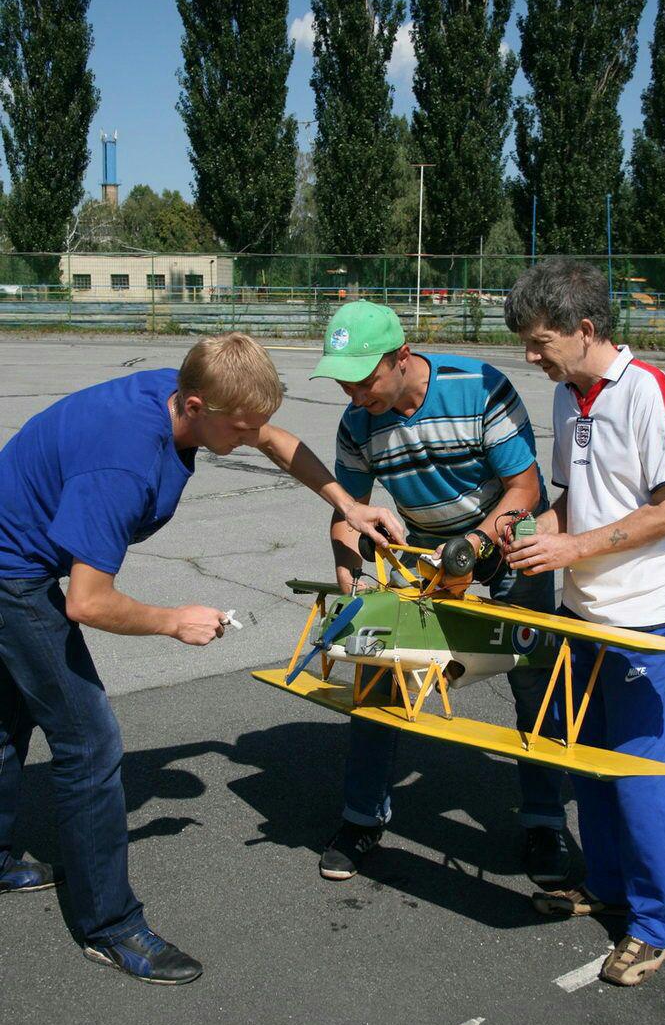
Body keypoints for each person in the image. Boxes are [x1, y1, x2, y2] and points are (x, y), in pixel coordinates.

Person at [0, 332, 401, 986]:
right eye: (238, 428)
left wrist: (348, 504)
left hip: (16, 545)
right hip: (12, 576)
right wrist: (173, 620)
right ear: (193, 405)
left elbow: (273, 439)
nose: (249, 438)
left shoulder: (194, 388)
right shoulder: (124, 465)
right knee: (90, 746)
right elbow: (87, 602)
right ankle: (109, 927)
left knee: (9, 715)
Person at [309, 299, 570, 886]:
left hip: (509, 539)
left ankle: (543, 821)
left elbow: (525, 488)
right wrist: (350, 575)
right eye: (344, 383)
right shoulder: (357, 423)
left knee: (534, 673)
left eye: (364, 380)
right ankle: (361, 817)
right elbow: (348, 513)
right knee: (378, 668)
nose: (355, 395)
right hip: (427, 549)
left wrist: (472, 549)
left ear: (402, 356)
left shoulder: (478, 388)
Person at [503, 258, 665, 986]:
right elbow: (574, 499)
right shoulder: (566, 395)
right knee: (588, 763)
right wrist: (532, 531)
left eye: (539, 341)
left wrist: (574, 547)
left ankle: (655, 924)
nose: (531, 356)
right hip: (580, 612)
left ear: (585, 328)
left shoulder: (650, 393)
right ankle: (609, 888)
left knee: (638, 772)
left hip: (645, 620)